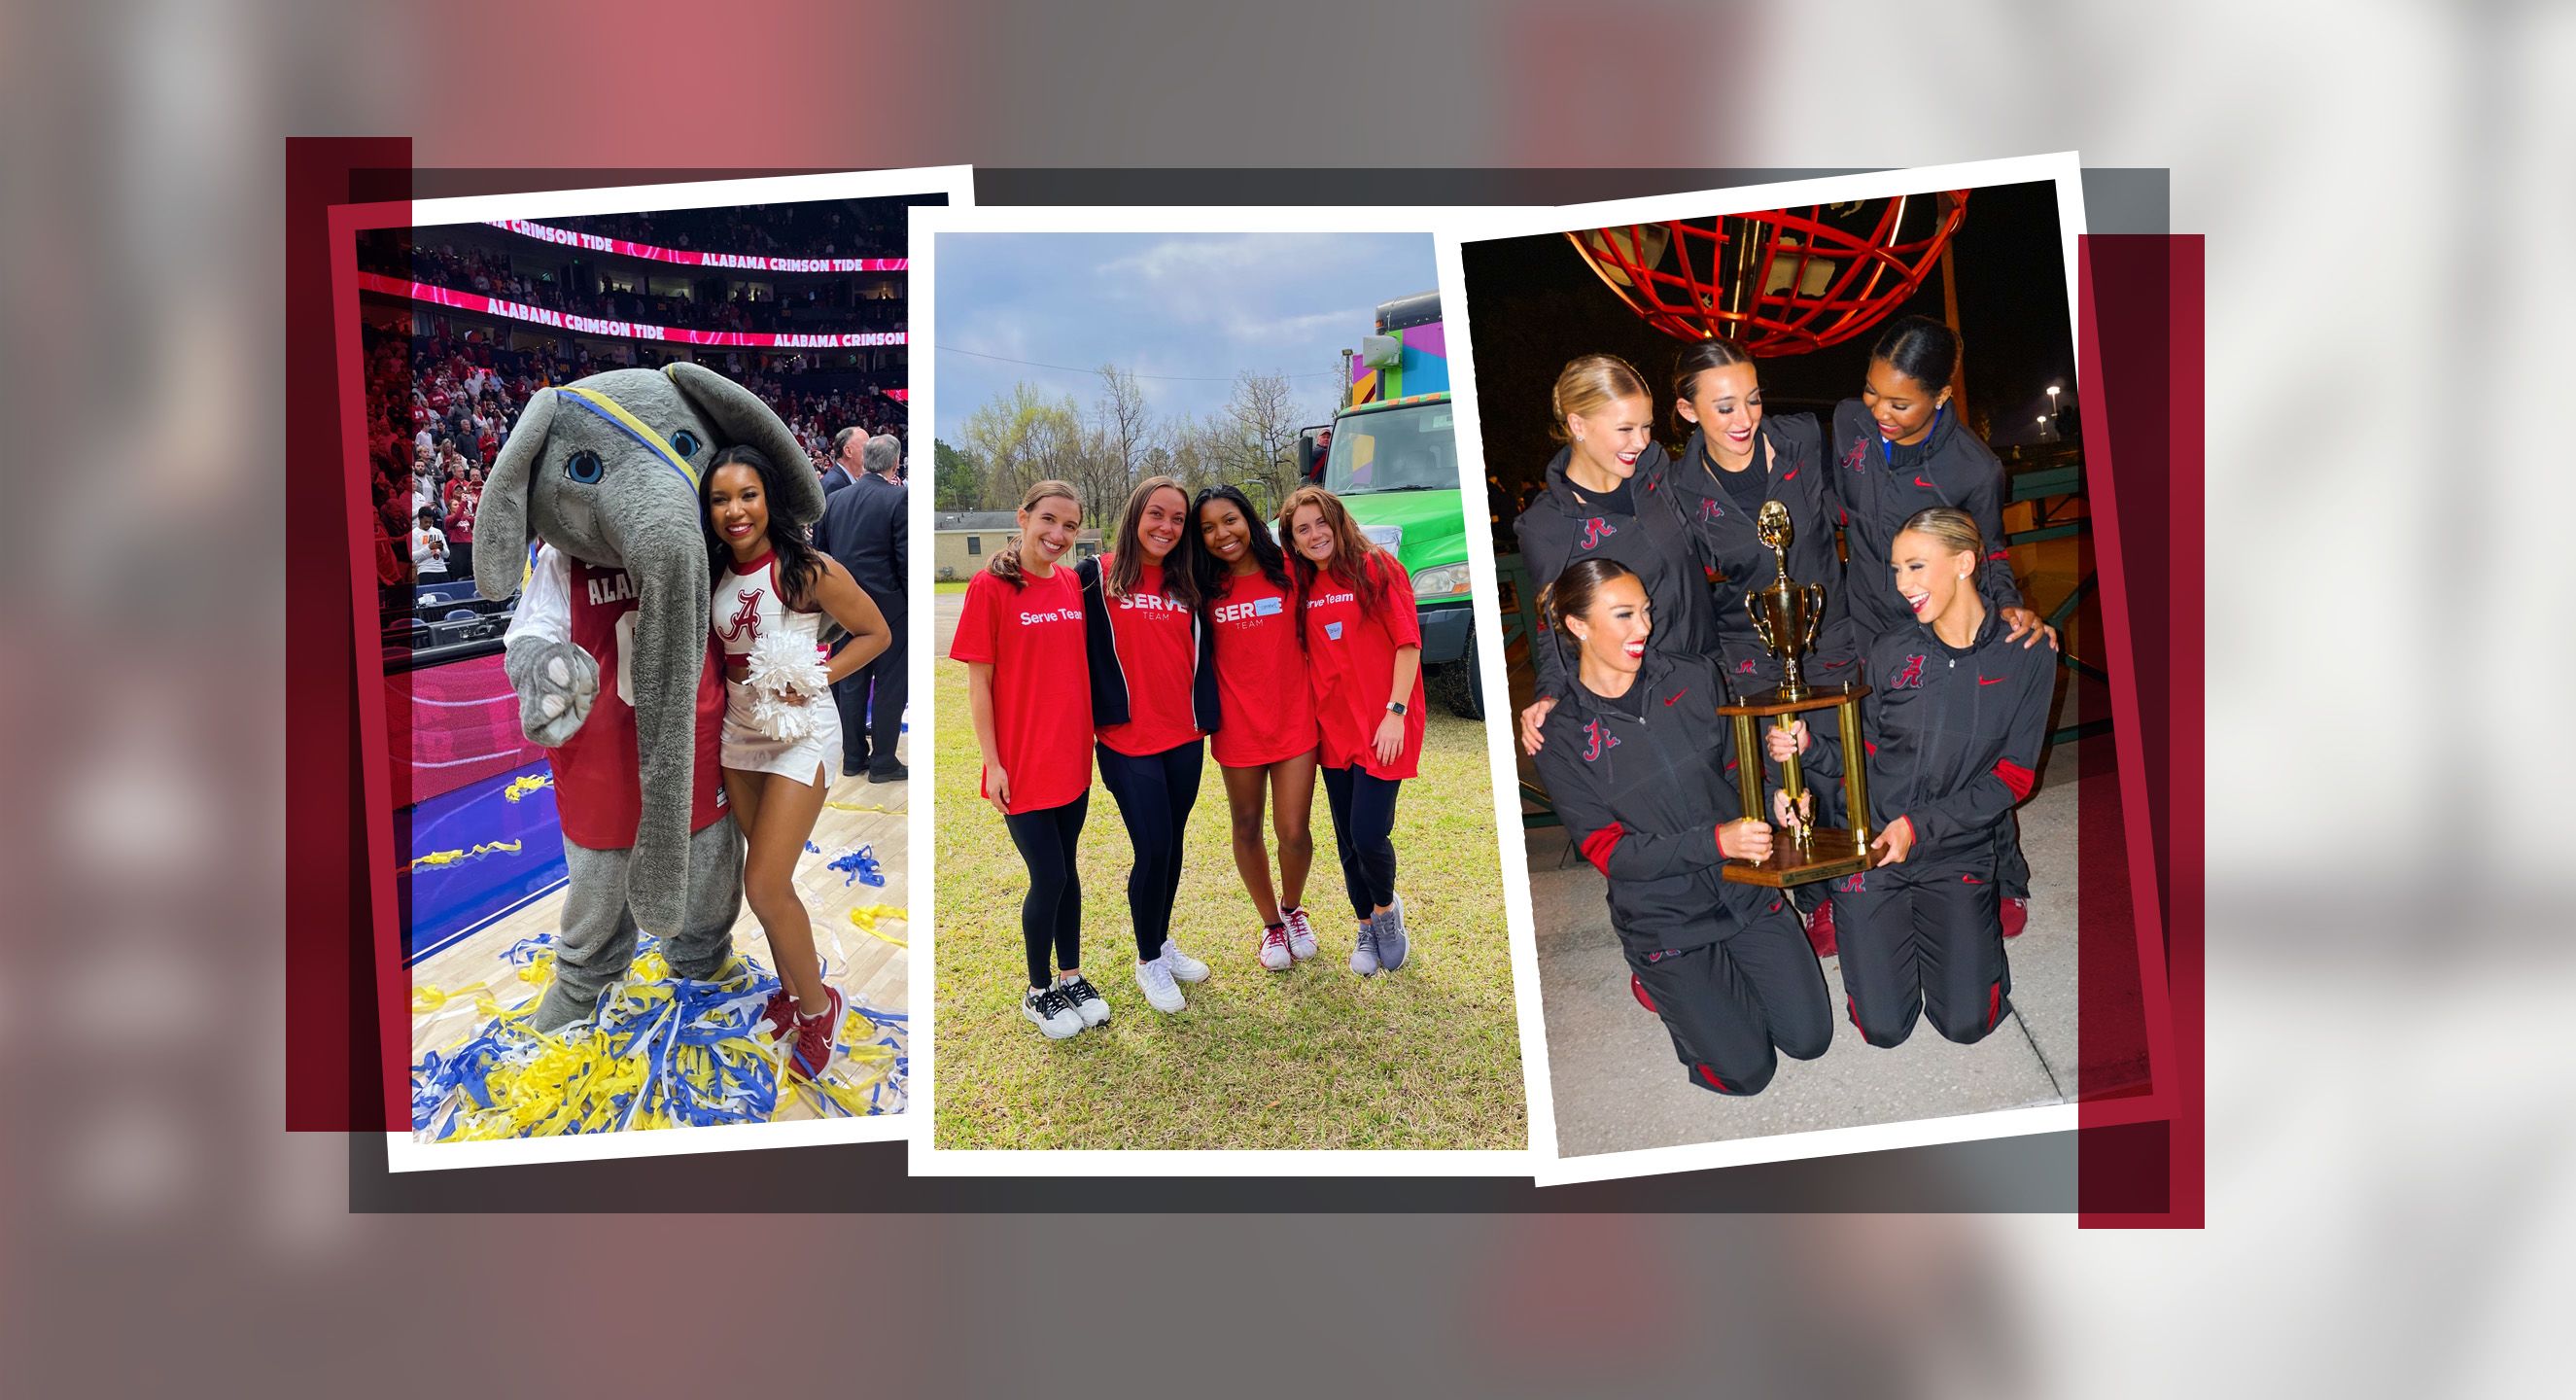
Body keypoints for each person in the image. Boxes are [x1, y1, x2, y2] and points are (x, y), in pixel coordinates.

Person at [1531, 557, 1830, 1095]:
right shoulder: (1559, 735)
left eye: (1645, 611)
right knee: (1748, 1074)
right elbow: (1611, 854)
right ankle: (1662, 983)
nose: (1644, 627)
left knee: (1810, 1040)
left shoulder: (1695, 677)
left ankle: (1716, 989)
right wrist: (1716, 841)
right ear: (1578, 626)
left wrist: (1774, 804)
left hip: (1744, 890)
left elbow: (1736, 772)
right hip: (1665, 920)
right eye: (1624, 615)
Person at [1767, 508, 2051, 1049]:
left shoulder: (2027, 654)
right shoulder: (1891, 651)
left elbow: (2012, 779)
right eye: (1897, 569)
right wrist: (1812, 750)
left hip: (1957, 850)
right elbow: (1868, 753)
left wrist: (1918, 827)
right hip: (1874, 846)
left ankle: (1952, 934)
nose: (1902, 585)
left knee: (1967, 1024)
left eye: (1916, 566)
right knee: (1883, 1029)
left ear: (1964, 563)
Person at [1828, 315, 2055, 935]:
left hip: (1939, 632)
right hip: (1868, 622)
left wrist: (2007, 606)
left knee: (1966, 758)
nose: (1879, 410)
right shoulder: (1848, 423)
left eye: (1899, 403)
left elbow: (1991, 550)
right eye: (1872, 391)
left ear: (1941, 396)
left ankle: (2004, 876)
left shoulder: (1972, 468)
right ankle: (1877, 864)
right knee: (1884, 752)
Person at [702, 445, 891, 1079]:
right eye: (721, 499)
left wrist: (816, 675)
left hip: (802, 735)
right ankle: (791, 991)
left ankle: (819, 1006)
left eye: (747, 495)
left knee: (763, 882)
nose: (735, 510)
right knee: (766, 883)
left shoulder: (806, 568)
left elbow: (876, 633)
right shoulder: (713, 571)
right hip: (739, 737)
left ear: (770, 499)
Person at [1665, 337, 1861, 954]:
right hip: (1749, 651)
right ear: (1688, 411)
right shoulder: (1678, 488)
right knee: (1786, 772)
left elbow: (1861, 506)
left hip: (1832, 630)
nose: (1744, 418)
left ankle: (1862, 879)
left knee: (1840, 760)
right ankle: (1815, 895)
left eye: (1752, 400)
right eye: (1724, 407)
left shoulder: (1802, 438)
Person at [950, 480, 1105, 1039]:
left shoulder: (1070, 583)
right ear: (1023, 518)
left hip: (1071, 757)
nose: (1058, 535)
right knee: (1050, 874)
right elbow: (979, 685)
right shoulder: (990, 587)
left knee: (1069, 871)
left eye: (1070, 526)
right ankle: (1038, 991)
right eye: (1049, 520)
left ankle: (1071, 976)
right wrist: (992, 763)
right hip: (1021, 763)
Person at [1514, 354, 1719, 753]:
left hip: (1715, 678)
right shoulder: (1546, 527)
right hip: (1648, 710)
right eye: (1625, 429)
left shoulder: (1657, 473)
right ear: (1578, 425)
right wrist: (1550, 694)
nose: (1640, 442)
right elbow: (1554, 629)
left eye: (1646, 426)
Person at [1077, 476, 1219, 1012]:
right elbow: (1037, 582)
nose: (1167, 526)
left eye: (1178, 519)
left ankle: (1160, 940)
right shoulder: (1096, 575)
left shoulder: (1191, 582)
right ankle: (1147, 961)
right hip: (1126, 739)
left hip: (1184, 735)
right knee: (1153, 846)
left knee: (1173, 844)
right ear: (1136, 514)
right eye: (1156, 514)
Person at [1282, 485, 1424, 976]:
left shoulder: (1377, 567)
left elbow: (1408, 644)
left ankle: (1386, 911)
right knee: (1346, 837)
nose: (1315, 535)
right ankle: (1364, 925)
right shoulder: (1302, 584)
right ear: (1293, 541)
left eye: (1321, 522)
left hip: (1384, 724)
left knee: (1368, 832)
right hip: (1333, 729)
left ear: (1338, 521)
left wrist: (1395, 712)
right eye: (1303, 529)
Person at [1183, 483, 1320, 972]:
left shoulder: (1289, 569)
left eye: (1230, 520)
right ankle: (1271, 925)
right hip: (1237, 727)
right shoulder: (1201, 587)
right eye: (1208, 528)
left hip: (1294, 721)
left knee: (1294, 830)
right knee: (1246, 825)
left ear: (1249, 520)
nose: (1222, 534)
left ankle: (1293, 908)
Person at [815, 432, 909, 781]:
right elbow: (905, 559)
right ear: (895, 463)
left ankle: (853, 757)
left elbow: (822, 555)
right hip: (889, 608)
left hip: (843, 608)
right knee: (890, 684)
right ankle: (883, 761)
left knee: (851, 682)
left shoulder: (835, 500)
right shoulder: (899, 498)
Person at [819, 426, 863, 496]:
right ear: (848, 451)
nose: (871, 452)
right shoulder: (834, 485)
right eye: (866, 447)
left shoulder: (848, 479)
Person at [410, 507, 449, 579]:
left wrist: (442, 549)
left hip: (442, 569)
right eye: (426, 522)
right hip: (425, 570)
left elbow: (447, 555)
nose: (428, 524)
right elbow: (412, 557)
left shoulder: (438, 532)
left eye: (430, 522)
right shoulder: (414, 534)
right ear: (419, 519)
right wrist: (428, 548)